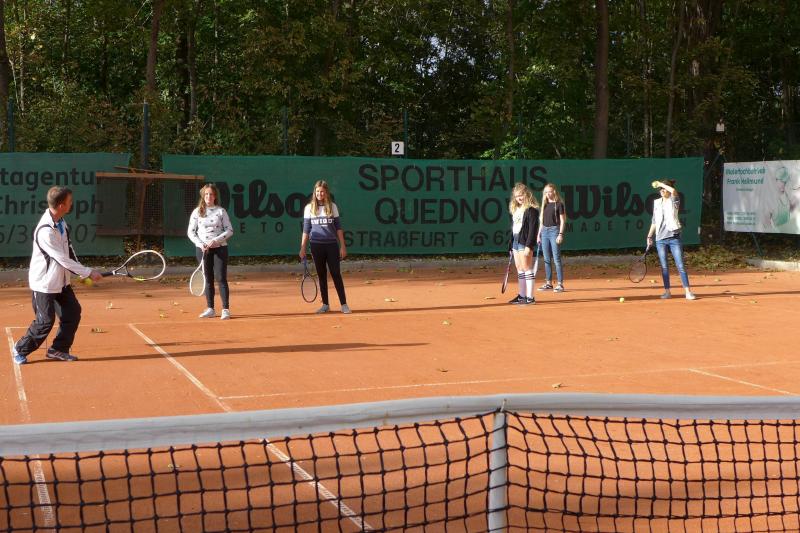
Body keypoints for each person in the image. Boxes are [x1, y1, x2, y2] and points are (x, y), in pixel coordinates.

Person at [12, 186, 103, 364]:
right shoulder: (45, 231)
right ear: (61, 205)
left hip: (61, 282)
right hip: (44, 284)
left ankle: (58, 349)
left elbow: (69, 251)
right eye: (69, 202)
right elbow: (61, 259)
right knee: (45, 322)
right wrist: (88, 272)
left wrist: (81, 271)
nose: (71, 204)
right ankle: (20, 349)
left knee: (73, 313)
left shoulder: (61, 223)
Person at [299, 180, 350, 314]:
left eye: (322, 191)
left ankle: (344, 304)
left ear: (326, 193)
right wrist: (303, 248)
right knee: (321, 275)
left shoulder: (332, 207)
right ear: (314, 193)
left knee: (335, 273)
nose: (319, 194)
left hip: (331, 246)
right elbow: (306, 229)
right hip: (316, 246)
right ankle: (325, 305)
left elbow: (338, 228)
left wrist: (343, 246)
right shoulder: (309, 208)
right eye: (317, 191)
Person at [188, 183, 234, 319]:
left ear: (215, 196)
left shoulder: (221, 211)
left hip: (220, 249)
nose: (209, 196)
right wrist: (200, 244)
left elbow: (230, 230)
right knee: (208, 279)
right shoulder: (197, 212)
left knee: (221, 278)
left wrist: (216, 241)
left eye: (211, 194)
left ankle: (225, 309)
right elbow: (191, 232)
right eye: (206, 194)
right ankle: (210, 309)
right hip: (203, 250)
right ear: (203, 196)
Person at [647, 179, 696, 300]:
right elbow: (654, 221)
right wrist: (649, 236)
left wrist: (661, 184)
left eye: (664, 189)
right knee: (664, 267)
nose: (662, 190)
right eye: (660, 189)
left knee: (680, 265)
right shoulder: (657, 203)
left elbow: (673, 191)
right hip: (660, 239)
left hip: (674, 237)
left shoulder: (674, 201)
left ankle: (688, 292)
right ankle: (667, 292)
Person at [507, 183, 540, 305]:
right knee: (519, 268)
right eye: (517, 196)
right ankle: (522, 296)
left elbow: (533, 229)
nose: (519, 198)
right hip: (516, 241)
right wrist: (511, 244)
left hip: (525, 241)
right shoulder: (515, 209)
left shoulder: (531, 210)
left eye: (521, 195)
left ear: (527, 194)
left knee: (527, 268)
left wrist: (529, 246)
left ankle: (530, 298)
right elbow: (514, 228)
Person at [537, 183, 567, 292]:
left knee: (556, 259)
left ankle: (560, 284)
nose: (548, 194)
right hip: (544, 232)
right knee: (546, 259)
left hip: (554, 231)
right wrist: (538, 235)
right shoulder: (544, 205)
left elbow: (563, 221)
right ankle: (548, 283)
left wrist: (560, 234)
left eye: (550, 191)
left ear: (554, 191)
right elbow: (541, 222)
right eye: (546, 192)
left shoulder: (559, 204)